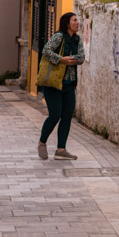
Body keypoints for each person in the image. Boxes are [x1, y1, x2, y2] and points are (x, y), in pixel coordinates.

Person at [38, 12, 85, 160]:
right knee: (55, 115)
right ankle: (42, 142)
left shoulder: (77, 40)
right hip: (54, 83)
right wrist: (60, 59)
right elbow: (46, 51)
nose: (78, 23)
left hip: (69, 83)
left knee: (66, 116)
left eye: (77, 20)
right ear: (67, 24)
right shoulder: (58, 37)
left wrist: (71, 59)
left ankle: (61, 149)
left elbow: (82, 57)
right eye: (74, 20)